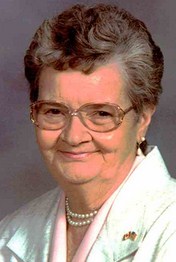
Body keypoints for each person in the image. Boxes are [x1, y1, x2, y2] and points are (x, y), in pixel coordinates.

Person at [0, 3, 176, 262]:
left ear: (142, 119)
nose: (73, 136)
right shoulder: (10, 233)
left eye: (101, 114)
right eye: (54, 111)